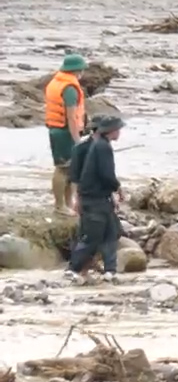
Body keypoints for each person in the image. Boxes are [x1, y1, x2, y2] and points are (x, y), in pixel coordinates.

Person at [65, 115, 123, 281]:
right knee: (91, 236)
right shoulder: (99, 147)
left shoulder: (98, 145)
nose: (120, 132)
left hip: (99, 197)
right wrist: (117, 188)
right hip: (95, 198)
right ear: (110, 131)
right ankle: (74, 268)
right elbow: (105, 175)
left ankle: (110, 270)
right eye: (118, 129)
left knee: (111, 233)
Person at [44, 53, 88, 217]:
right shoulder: (69, 88)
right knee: (63, 168)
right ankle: (60, 206)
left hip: (57, 128)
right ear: (77, 70)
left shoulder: (56, 82)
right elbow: (71, 116)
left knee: (70, 169)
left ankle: (67, 205)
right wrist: (77, 140)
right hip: (64, 131)